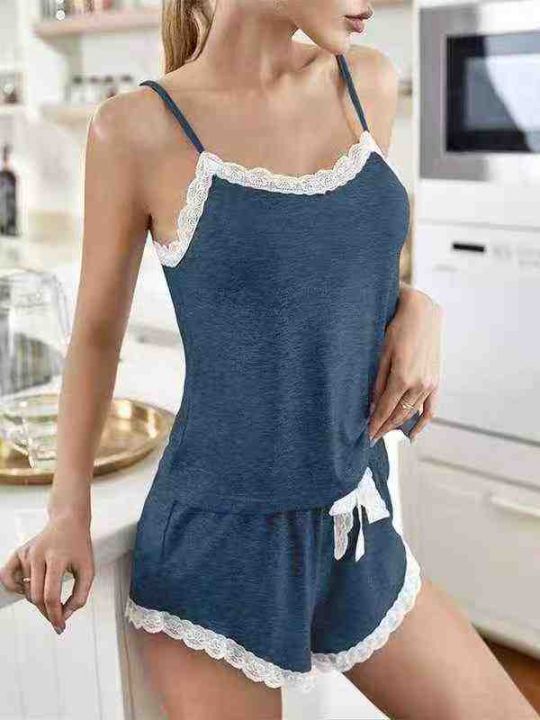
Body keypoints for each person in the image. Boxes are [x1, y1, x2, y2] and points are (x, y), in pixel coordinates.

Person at [1, 2, 538, 719]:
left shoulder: (367, 83)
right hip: (217, 549)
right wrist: (68, 511)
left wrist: (419, 306)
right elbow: (97, 333)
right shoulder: (135, 129)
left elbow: (352, 267)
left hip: (356, 523)